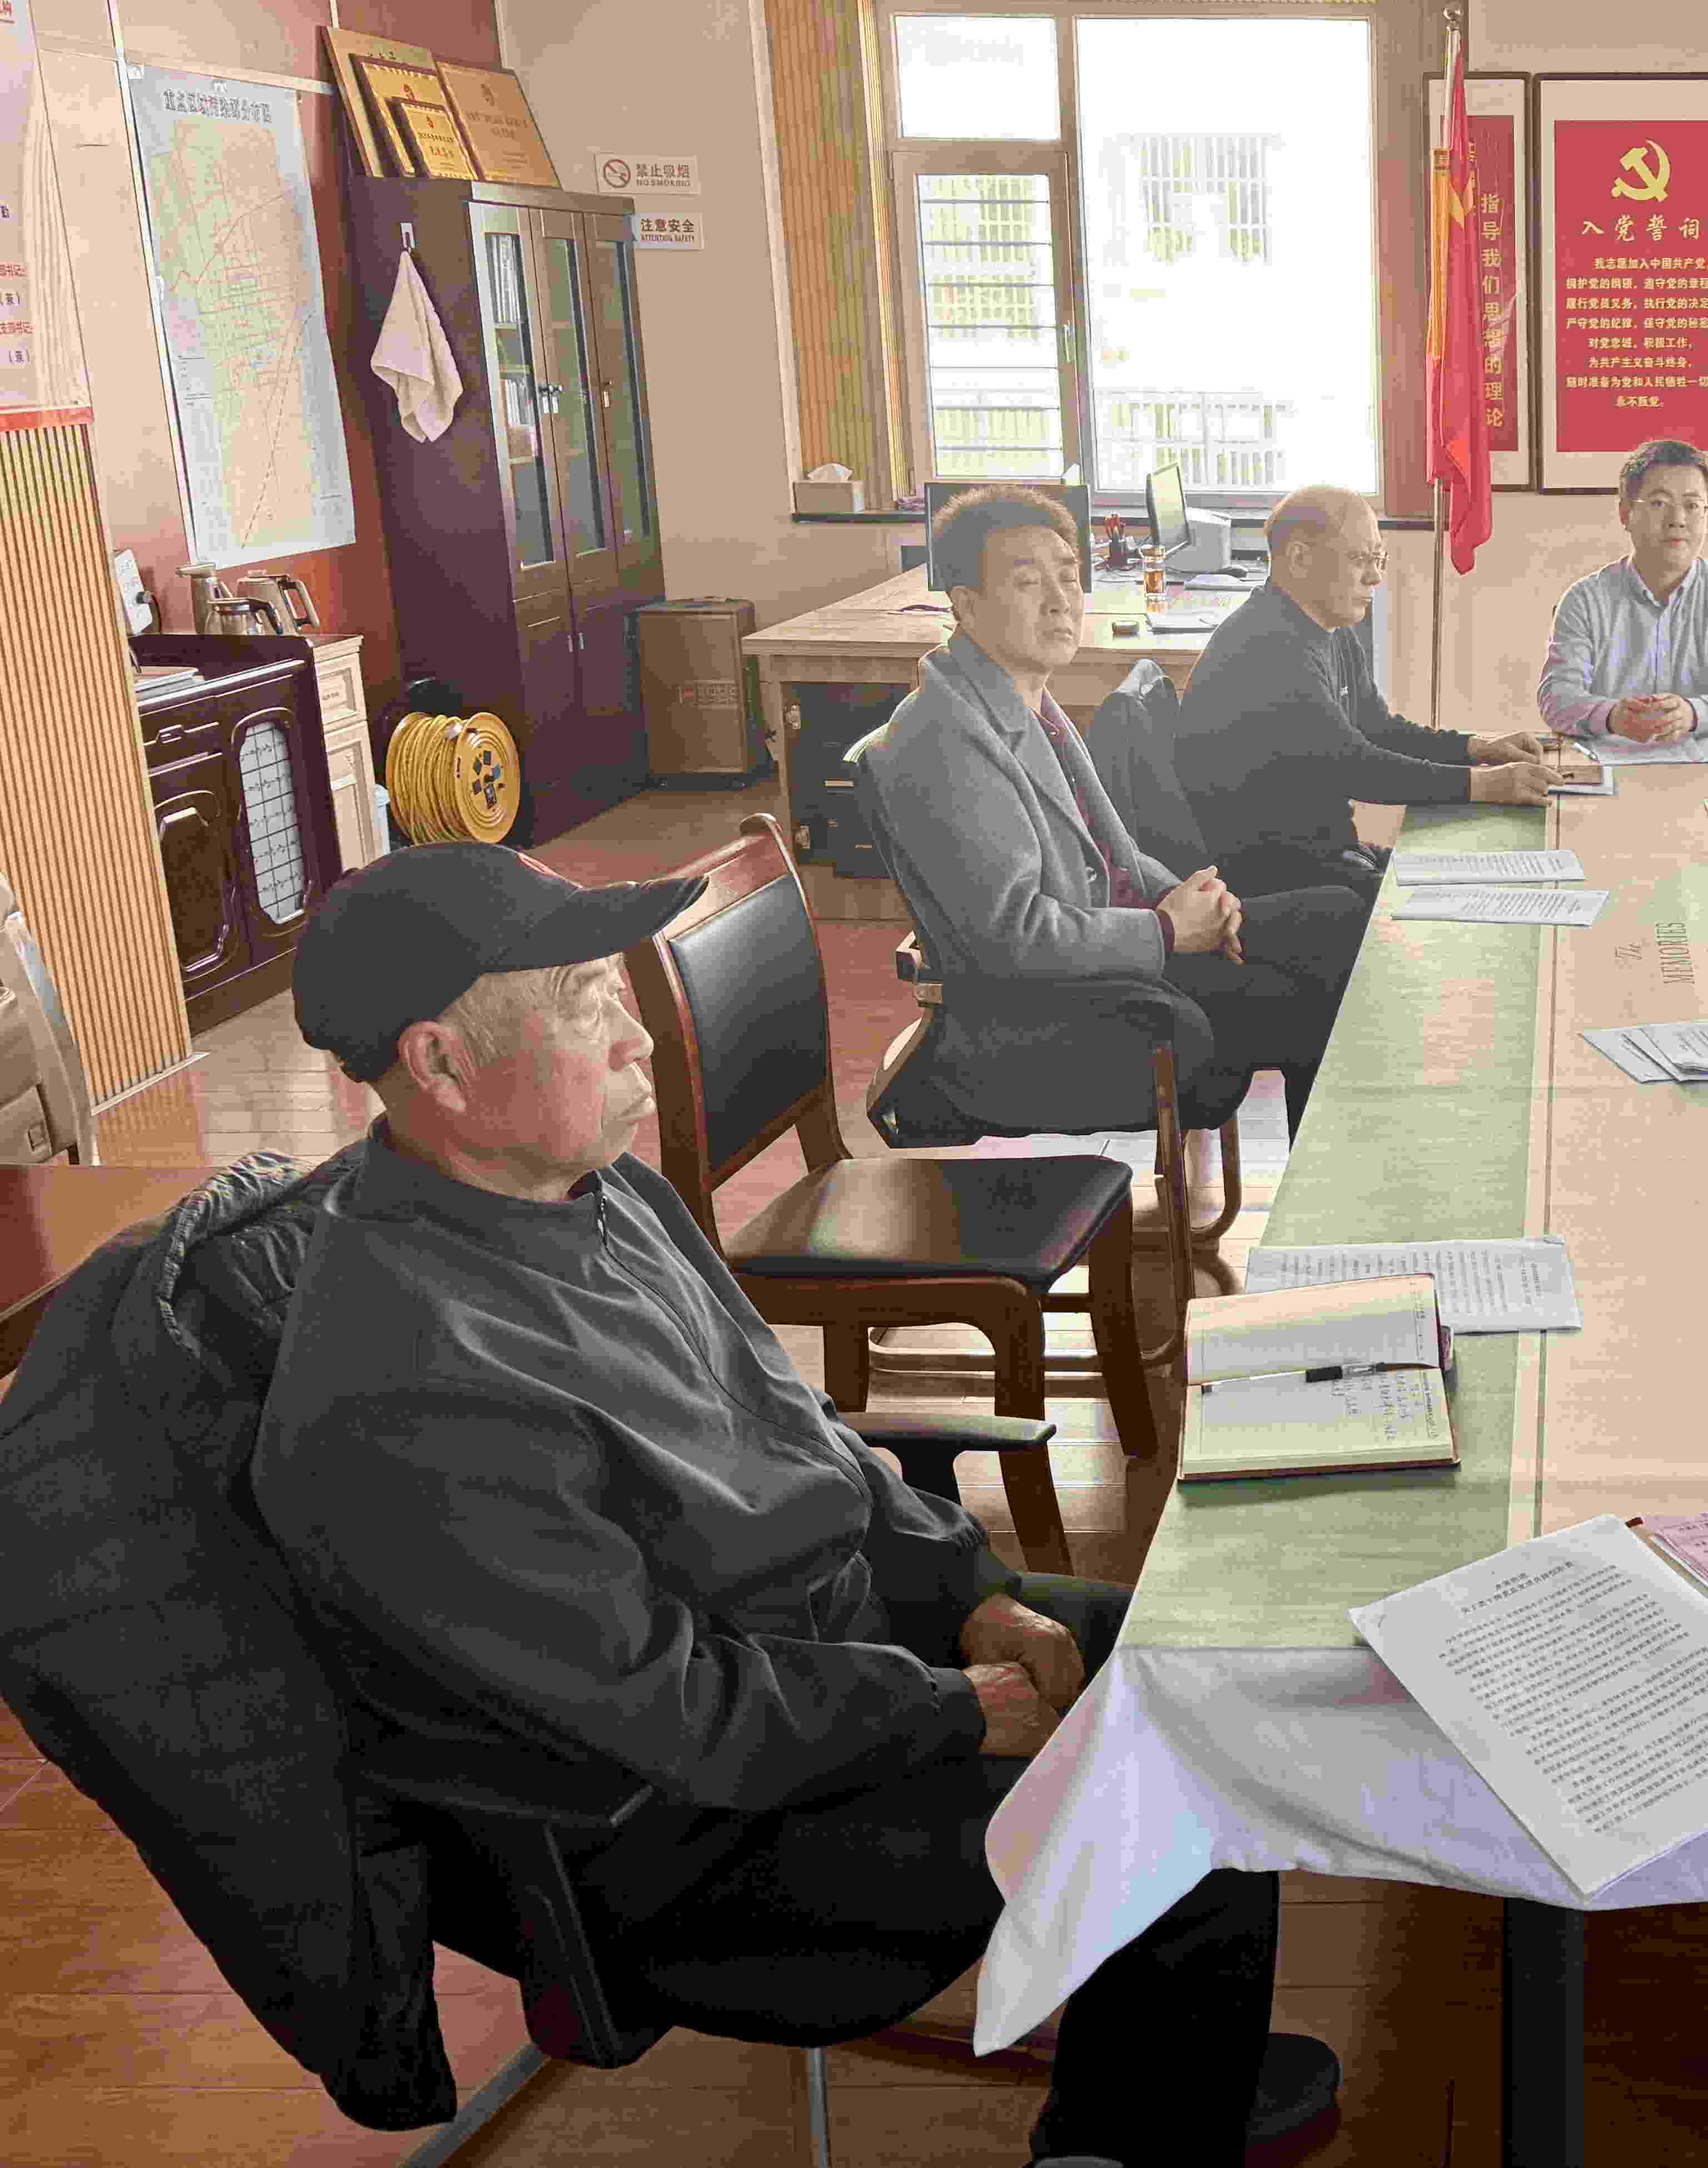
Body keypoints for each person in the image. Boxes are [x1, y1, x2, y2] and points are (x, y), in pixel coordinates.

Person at [250, 844, 1336, 2168]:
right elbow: (675, 1715)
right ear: (439, 1063)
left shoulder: (604, 1192)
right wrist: (949, 1708)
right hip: (688, 1838)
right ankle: (1141, 2118)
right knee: (1167, 1818)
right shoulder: (408, 1387)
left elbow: (798, 1425)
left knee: (1188, 1679)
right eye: (586, 1000)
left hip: (820, 1675)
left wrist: (969, 1590)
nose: (637, 1036)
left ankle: (1170, 2068)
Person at [861, 482, 1366, 1135]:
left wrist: (1194, 901)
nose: (1060, 600)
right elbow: (1014, 939)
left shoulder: (1023, 694)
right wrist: (1168, 932)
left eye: (1068, 576)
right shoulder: (945, 740)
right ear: (966, 603)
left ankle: (1333, 1179)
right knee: (1316, 1004)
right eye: (1027, 583)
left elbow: (1114, 853)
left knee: (1339, 918)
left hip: (1118, 946)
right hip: (1067, 1007)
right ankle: (1330, 1191)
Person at [1175, 483, 1555, 900]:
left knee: (1485, 875)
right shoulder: (1268, 649)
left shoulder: (1327, 627)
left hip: (1333, 857)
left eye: (1378, 558)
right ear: (1299, 559)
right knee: (1471, 900)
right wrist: (1483, 785)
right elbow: (1355, 766)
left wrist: (1477, 748)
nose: (1375, 576)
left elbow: (1378, 729)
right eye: (1360, 559)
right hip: (1284, 882)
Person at [1536, 439, 1708, 743]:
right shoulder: (1585, 600)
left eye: (1692, 506)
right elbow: (1556, 697)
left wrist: (1693, 714)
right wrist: (1612, 717)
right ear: (1625, 514)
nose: (1678, 520)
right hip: (1610, 763)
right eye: (1660, 503)